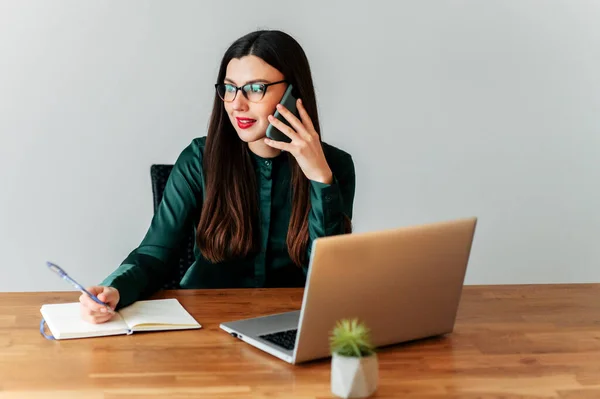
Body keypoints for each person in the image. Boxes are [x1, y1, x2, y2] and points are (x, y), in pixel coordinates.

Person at [79, 29, 356, 324]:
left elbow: (329, 278)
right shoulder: (200, 159)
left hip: (293, 323)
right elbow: (153, 255)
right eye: (229, 88)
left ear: (292, 93)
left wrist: (319, 179)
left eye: (255, 88)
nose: (237, 104)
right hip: (207, 322)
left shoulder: (333, 166)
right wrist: (115, 288)